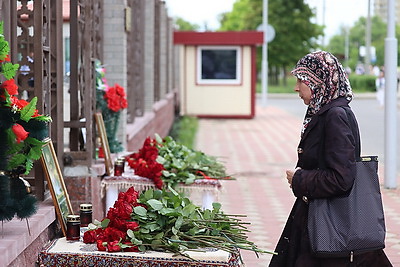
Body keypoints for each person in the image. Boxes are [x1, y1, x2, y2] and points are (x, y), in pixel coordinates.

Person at [269, 51, 392, 267]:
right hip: (318, 218)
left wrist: (300, 179)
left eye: (301, 80)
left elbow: (341, 178)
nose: (296, 87)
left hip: (328, 223)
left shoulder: (335, 116)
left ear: (319, 81)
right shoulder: (324, 112)